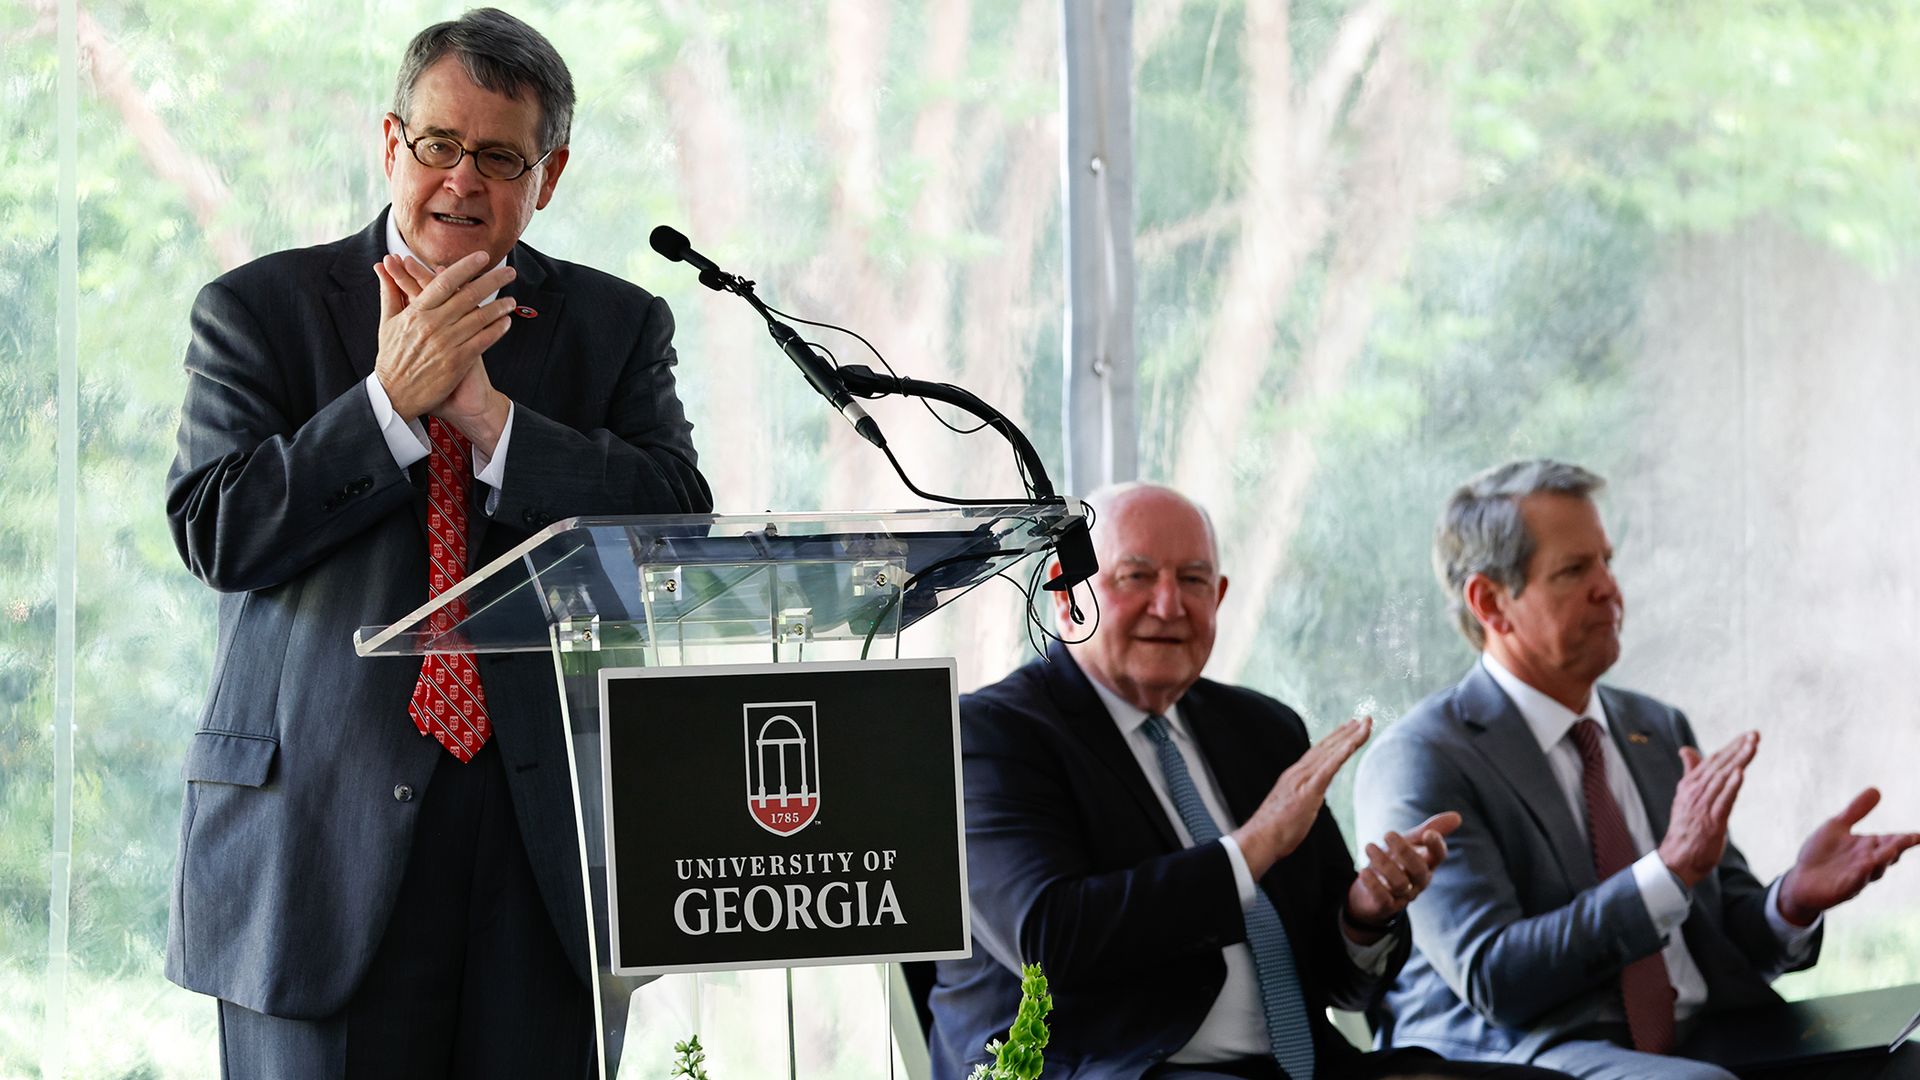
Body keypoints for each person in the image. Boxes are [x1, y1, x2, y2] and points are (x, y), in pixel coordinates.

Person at [163, 9, 710, 1077]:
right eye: (439, 145)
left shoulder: (616, 327)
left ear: (546, 180)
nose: (462, 180)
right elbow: (217, 529)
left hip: (543, 851)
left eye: (500, 156)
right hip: (314, 852)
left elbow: (674, 524)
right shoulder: (262, 310)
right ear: (390, 145)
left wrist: (492, 424)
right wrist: (387, 404)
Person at [930, 482, 1574, 1080]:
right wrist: (1254, 846)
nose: (1169, 603)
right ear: (1066, 593)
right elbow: (1050, 944)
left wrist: (1363, 917)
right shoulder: (992, 734)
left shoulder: (1259, 727)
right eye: (1136, 577)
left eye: (1193, 580)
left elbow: (1342, 986)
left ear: (1220, 597)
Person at [1354, 460, 1920, 1080]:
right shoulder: (1424, 758)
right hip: (1522, 1052)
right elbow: (1496, 978)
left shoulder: (1654, 728)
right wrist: (1668, 870)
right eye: (1575, 569)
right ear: (1491, 602)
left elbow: (1726, 935)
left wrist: (1792, 900)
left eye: (1607, 561)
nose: (1609, 587)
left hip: (1711, 1036)